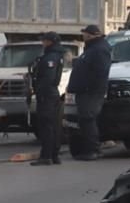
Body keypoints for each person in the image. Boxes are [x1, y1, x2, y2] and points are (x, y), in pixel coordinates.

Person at [66, 24, 111, 161]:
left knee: (88, 119)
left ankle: (93, 150)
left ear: (91, 35)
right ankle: (88, 149)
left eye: (85, 33)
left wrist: (90, 88)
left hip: (91, 92)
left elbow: (100, 72)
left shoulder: (99, 49)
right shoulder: (91, 49)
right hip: (85, 91)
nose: (83, 35)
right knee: (85, 120)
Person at [29, 32, 65, 166]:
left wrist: (38, 89)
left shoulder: (51, 57)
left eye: (44, 40)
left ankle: (46, 156)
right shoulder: (54, 55)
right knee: (53, 125)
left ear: (50, 42)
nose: (42, 43)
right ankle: (53, 155)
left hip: (47, 94)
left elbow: (48, 78)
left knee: (47, 126)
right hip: (51, 93)